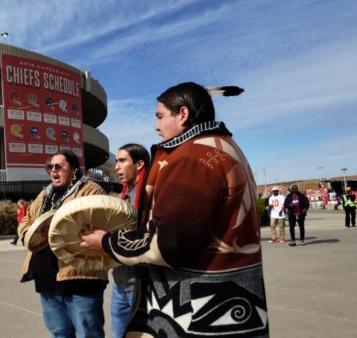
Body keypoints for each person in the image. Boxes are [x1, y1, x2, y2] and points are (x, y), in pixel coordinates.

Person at [81, 82, 269, 337]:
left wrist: (106, 241)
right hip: (230, 302)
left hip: (199, 309)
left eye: (159, 117)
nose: (156, 126)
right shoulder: (226, 148)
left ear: (183, 114)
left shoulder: (193, 156)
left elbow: (168, 243)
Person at [18, 150, 108, 338]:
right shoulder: (45, 194)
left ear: (74, 170)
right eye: (50, 167)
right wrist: (31, 234)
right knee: (60, 333)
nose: (53, 171)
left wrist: (52, 229)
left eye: (59, 166)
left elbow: (91, 225)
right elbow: (26, 221)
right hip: (47, 281)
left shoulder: (90, 190)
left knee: (88, 334)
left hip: (80, 279)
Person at [110, 143, 150, 338]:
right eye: (116, 161)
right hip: (120, 284)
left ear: (139, 164)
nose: (117, 166)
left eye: (122, 160)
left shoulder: (151, 194)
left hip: (144, 288)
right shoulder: (121, 196)